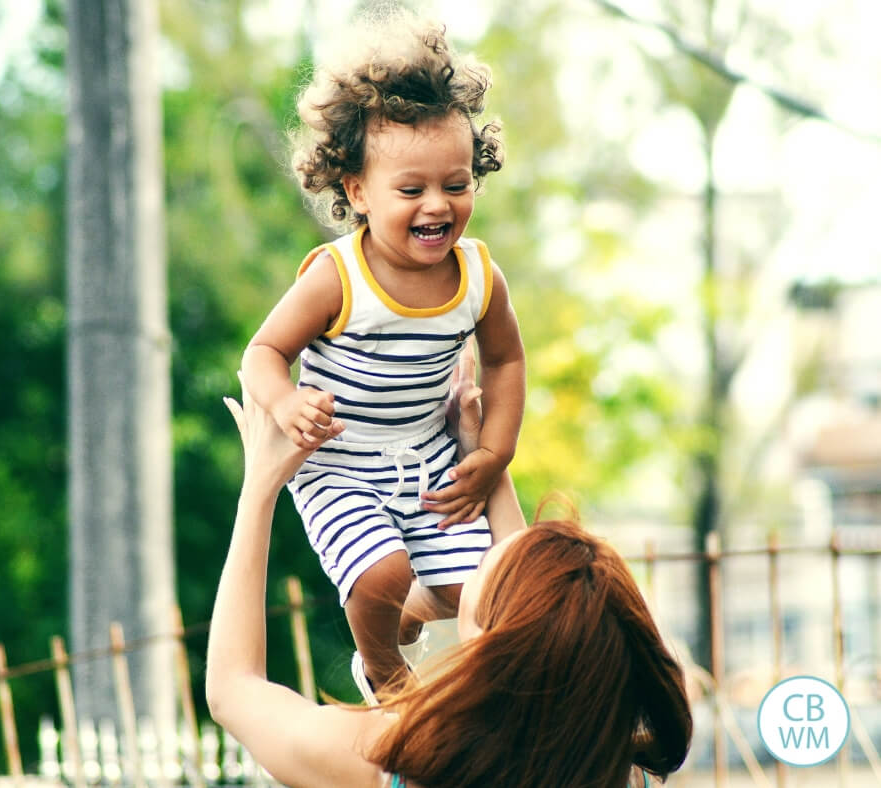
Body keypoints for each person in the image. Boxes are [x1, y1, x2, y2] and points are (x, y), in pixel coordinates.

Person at [207, 374, 693, 788]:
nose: (478, 555)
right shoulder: (622, 771)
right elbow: (538, 622)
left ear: (487, 645)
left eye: (483, 566)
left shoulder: (391, 761)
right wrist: (479, 457)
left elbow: (233, 689)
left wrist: (260, 487)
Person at [240, 11, 525, 700]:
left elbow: (507, 362)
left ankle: (409, 613)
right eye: (411, 190)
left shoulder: (479, 276)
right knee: (380, 576)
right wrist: (286, 401)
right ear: (358, 192)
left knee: (474, 592)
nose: (437, 205)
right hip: (339, 461)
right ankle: (385, 675)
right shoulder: (338, 278)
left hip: (427, 455)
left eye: (456, 185)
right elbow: (262, 352)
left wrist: (493, 453)